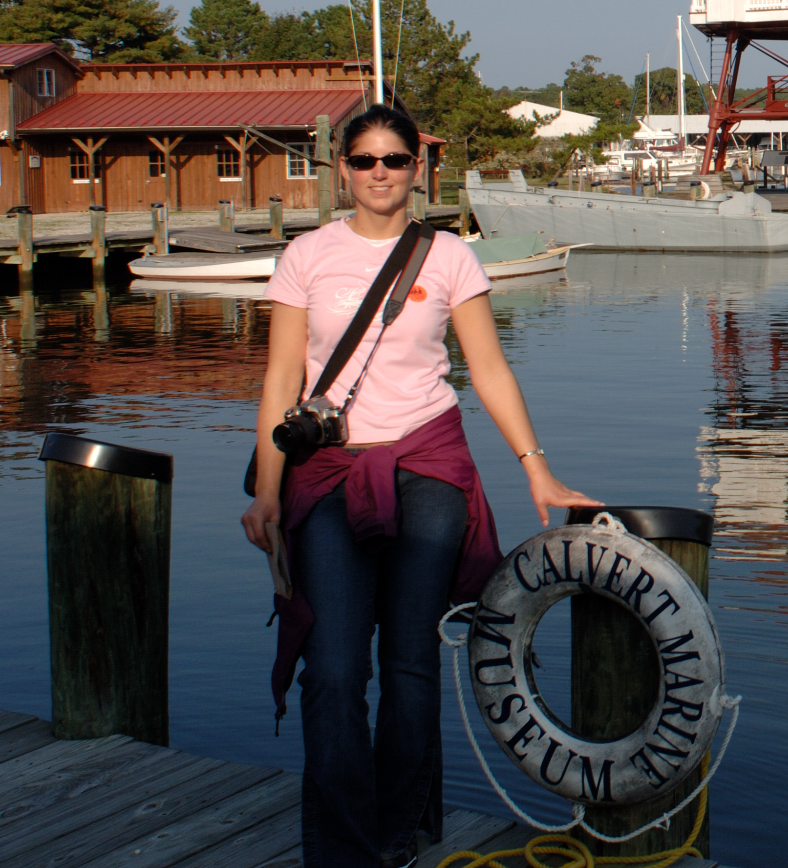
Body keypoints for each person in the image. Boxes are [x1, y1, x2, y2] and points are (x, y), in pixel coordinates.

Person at [240, 104, 598, 868]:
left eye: (394, 161)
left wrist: (535, 466)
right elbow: (279, 381)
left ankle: (397, 830)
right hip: (329, 474)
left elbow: (489, 369)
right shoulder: (306, 256)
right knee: (335, 666)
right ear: (342, 169)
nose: (379, 174)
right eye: (364, 160)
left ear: (415, 168)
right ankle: (340, 848)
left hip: (428, 464)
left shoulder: (448, 258)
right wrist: (268, 493)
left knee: (410, 662)